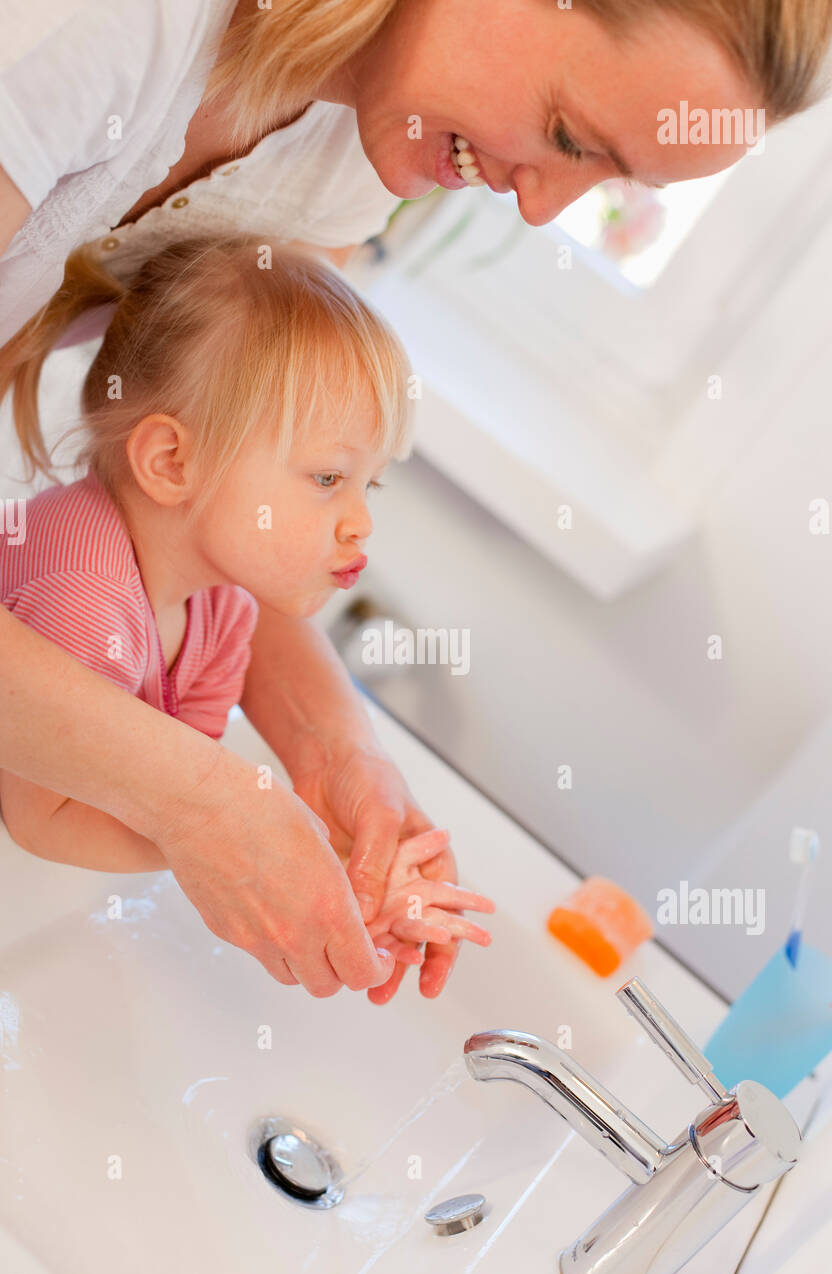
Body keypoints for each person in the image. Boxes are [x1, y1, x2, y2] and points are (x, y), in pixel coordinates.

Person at [1, 0, 830, 1004]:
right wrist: (198, 806)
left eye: (608, 180)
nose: (539, 207)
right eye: (571, 134)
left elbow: (242, 511)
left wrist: (340, 761)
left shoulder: (342, 160)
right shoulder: (103, 21)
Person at [0, 235, 496, 979]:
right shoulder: (87, 598)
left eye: (372, 484)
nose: (361, 521)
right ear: (172, 462)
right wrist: (266, 848)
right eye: (329, 477)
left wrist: (340, 867)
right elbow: (47, 819)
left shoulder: (223, 608)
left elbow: (184, 778)